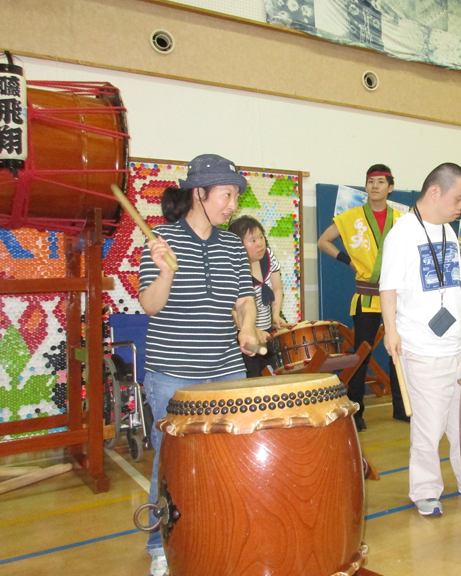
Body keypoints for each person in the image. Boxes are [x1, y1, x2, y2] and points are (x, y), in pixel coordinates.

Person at [139, 154, 258, 576]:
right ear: (200, 193)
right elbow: (150, 306)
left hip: (226, 367)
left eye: (235, 196)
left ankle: (221, 528)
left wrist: (248, 329)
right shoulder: (160, 239)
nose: (232, 205)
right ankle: (160, 543)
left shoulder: (230, 244)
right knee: (169, 462)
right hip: (173, 372)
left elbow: (244, 300)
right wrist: (164, 272)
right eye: (227, 195)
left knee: (228, 455)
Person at [380, 162, 461, 517]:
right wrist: (391, 331)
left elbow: (455, 283)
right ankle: (425, 489)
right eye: (459, 197)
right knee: (429, 427)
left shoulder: (449, 231)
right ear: (435, 192)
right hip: (421, 348)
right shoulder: (402, 233)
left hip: (457, 346)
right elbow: (388, 288)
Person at [317, 164, 407, 431]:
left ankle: (403, 408)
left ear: (390, 187)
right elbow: (324, 241)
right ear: (365, 186)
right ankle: (356, 410)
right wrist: (348, 261)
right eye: (371, 182)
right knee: (362, 353)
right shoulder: (351, 217)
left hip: (397, 297)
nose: (375, 186)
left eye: (381, 182)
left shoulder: (403, 219)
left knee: (398, 352)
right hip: (367, 296)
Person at [229, 215, 288, 377]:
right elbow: (231, 309)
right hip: (243, 336)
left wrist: (275, 315)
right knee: (251, 378)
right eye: (252, 240)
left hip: (266, 332)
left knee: (273, 375)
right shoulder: (233, 265)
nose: (260, 243)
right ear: (238, 244)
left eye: (261, 237)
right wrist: (253, 330)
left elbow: (276, 289)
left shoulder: (268, 256)